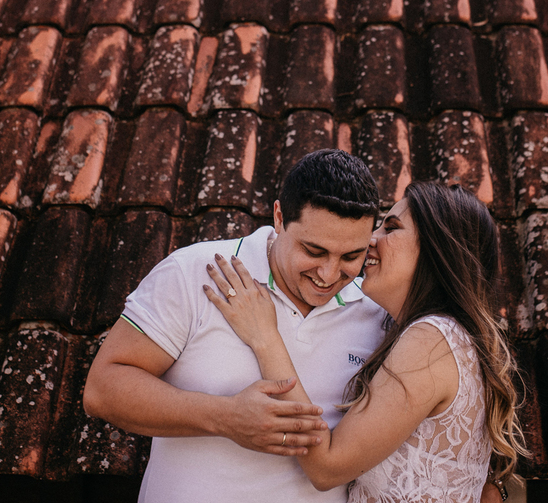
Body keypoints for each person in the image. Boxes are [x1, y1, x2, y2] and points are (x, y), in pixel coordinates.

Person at [83, 149, 389, 502]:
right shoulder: (194, 272)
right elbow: (102, 389)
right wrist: (225, 418)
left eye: (351, 256)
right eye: (314, 250)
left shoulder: (378, 316)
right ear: (279, 216)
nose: (329, 274)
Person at [204, 181, 526, 502]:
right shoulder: (447, 338)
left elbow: (327, 468)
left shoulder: (433, 339)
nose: (371, 240)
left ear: (436, 249)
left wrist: (265, 337)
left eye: (392, 228)